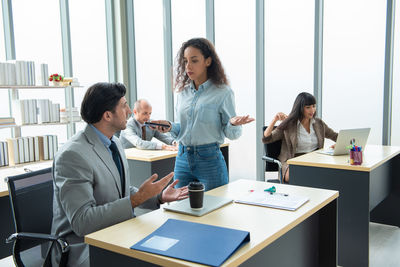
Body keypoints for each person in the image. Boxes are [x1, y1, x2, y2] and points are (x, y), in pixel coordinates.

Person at [51, 82, 188, 267]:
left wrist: (158, 197)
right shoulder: (72, 155)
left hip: (117, 232)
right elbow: (82, 222)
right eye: (124, 106)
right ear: (107, 115)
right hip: (82, 247)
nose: (130, 111)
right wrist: (136, 199)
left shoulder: (114, 143)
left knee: (176, 247)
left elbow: (121, 192)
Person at [151, 38, 254, 191]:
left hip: (210, 160)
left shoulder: (223, 92)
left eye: (194, 60)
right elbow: (183, 129)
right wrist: (170, 127)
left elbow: (232, 134)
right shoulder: (183, 93)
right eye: (185, 61)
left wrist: (232, 124)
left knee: (215, 209)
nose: (188, 66)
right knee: (180, 209)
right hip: (182, 159)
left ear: (207, 61)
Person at [262, 92, 338, 183]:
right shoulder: (289, 125)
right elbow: (267, 138)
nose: (312, 110)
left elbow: (335, 136)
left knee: (331, 175)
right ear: (300, 108)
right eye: (308, 107)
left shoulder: (318, 123)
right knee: (304, 176)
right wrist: (274, 120)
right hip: (293, 162)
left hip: (314, 160)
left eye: (314, 106)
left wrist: (339, 144)